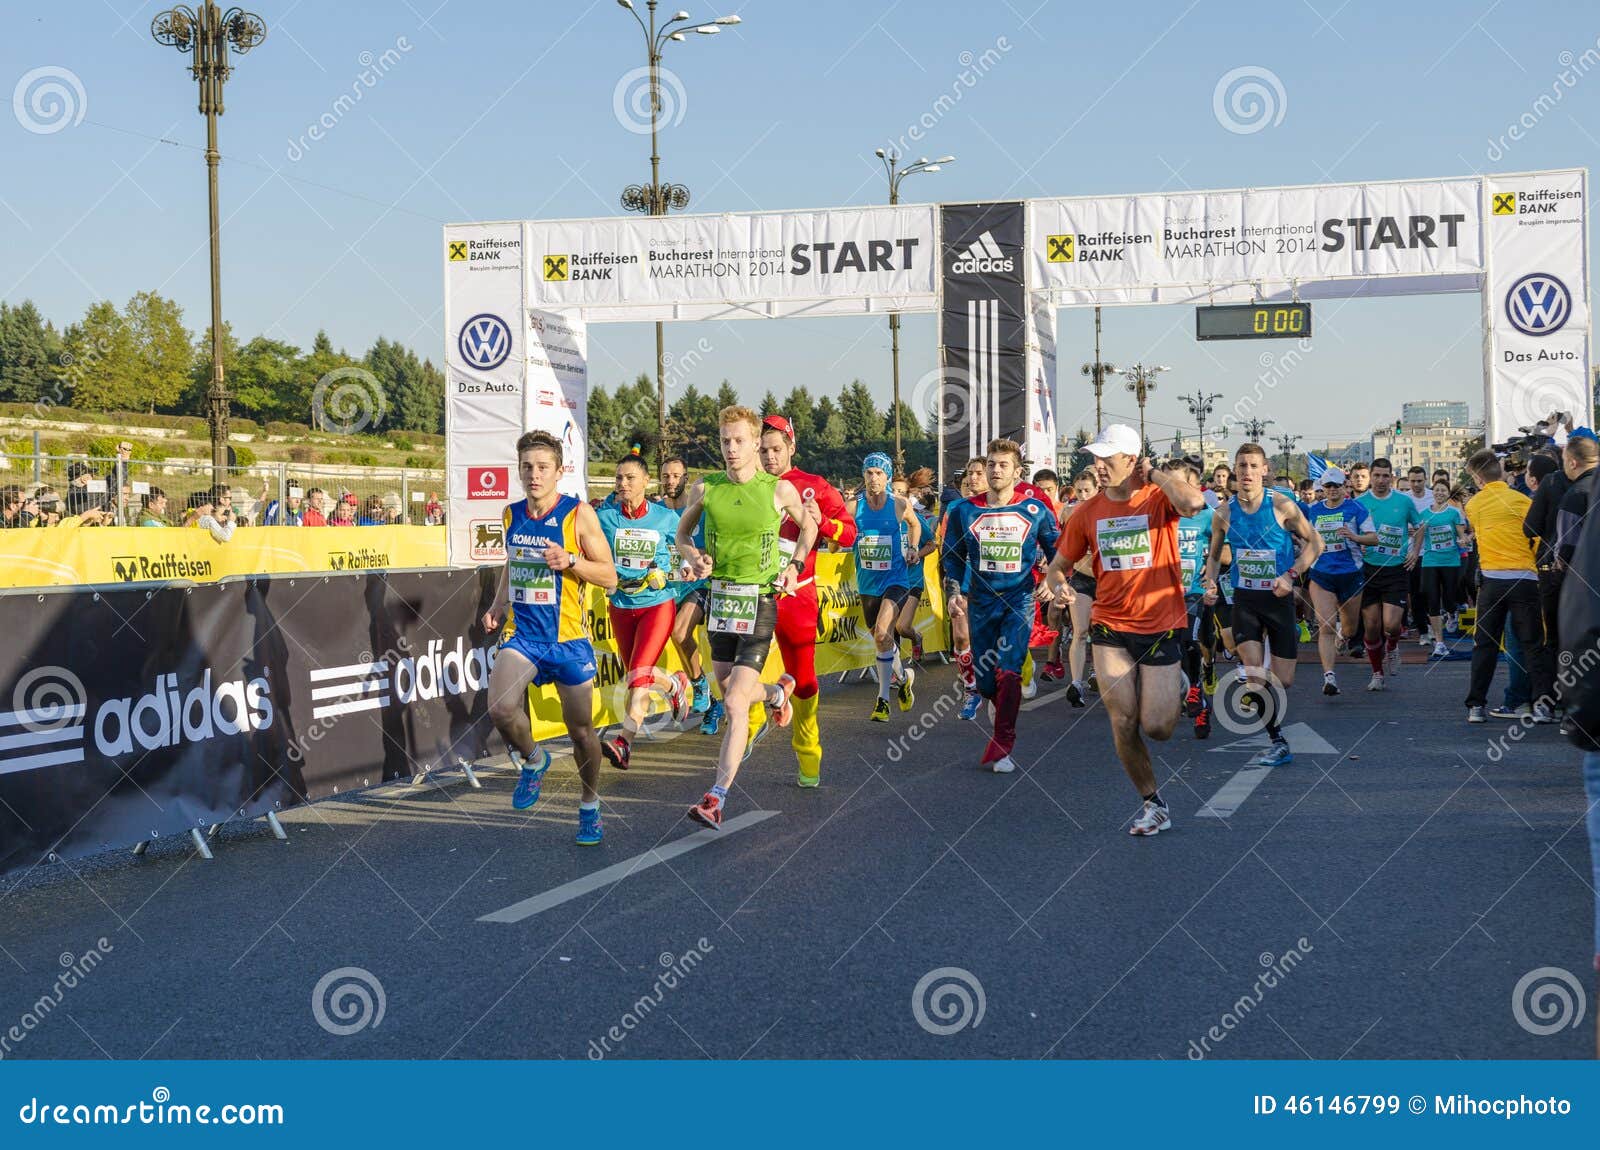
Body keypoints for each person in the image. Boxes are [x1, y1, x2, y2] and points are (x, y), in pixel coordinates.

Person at [1046, 424, 1206, 833]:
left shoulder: (1158, 499)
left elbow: (1194, 502)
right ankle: (1153, 803)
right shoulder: (1086, 512)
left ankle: (1179, 679)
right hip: (1111, 625)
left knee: (1158, 727)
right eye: (1095, 458)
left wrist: (1153, 474)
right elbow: (1057, 569)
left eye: (1107, 458)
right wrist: (1060, 589)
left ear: (1131, 461)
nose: (1098, 466)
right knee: (1122, 720)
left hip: (1161, 624)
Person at [675, 406, 817, 828]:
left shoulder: (778, 490)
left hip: (759, 603)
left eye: (739, 441)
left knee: (736, 703)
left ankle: (716, 797)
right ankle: (776, 694)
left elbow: (808, 528)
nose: (731, 449)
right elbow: (682, 536)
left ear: (756, 443)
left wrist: (795, 565)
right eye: (724, 441)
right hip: (720, 602)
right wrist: (695, 558)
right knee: (727, 691)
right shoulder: (706, 488)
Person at [482, 430, 617, 845]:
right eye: (526, 467)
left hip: (568, 641)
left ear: (560, 471)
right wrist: (497, 605)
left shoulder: (579, 515)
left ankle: (590, 805)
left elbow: (610, 576)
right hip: (524, 636)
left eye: (542, 467)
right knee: (501, 709)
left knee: (580, 733)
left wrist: (572, 560)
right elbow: (512, 564)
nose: (533, 475)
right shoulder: (511, 514)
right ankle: (534, 760)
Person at [943, 438, 1060, 773]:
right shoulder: (964, 511)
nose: (995, 470)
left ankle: (1002, 744)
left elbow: (1058, 553)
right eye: (991, 464)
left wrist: (1052, 582)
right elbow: (952, 558)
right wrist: (954, 592)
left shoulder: (1033, 510)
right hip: (979, 603)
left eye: (1003, 465)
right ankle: (1001, 715)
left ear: (1017, 472)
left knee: (1008, 671)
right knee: (985, 683)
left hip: (1019, 600)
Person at [1203, 444, 1322, 767]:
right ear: (1234, 471)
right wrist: (1211, 582)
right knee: (1255, 676)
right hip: (1245, 599)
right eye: (1241, 466)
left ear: (1265, 469)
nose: (1247, 472)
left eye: (1253, 466)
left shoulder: (1282, 505)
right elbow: (1214, 556)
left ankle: (1268, 700)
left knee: (1283, 681)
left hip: (1279, 599)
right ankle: (1277, 740)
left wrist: (1292, 574)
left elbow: (1316, 543)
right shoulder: (1224, 513)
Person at [758, 413, 856, 786]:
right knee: (739, 670)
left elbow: (849, 534)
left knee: (805, 678)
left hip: (797, 594)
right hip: (754, 594)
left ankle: (808, 750)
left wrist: (824, 523)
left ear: (791, 447)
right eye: (763, 450)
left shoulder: (813, 486)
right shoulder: (748, 485)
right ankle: (751, 727)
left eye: (776, 449)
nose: (769, 457)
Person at [594, 450, 692, 770]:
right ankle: (674, 684)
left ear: (646, 482)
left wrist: (684, 568)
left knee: (638, 675)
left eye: (630, 478)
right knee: (637, 675)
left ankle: (624, 743)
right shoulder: (605, 517)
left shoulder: (665, 518)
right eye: (619, 478)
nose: (623, 483)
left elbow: (685, 550)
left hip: (657, 604)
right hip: (621, 604)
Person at [1462, 448, 1555, 725]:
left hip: (1492, 580)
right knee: (1533, 644)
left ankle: (1476, 705)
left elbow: (1478, 532)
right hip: (1525, 578)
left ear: (1478, 479)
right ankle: (1541, 706)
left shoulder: (1474, 505)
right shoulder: (1523, 501)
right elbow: (1535, 537)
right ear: (1500, 473)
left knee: (1484, 645)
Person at [852, 453, 919, 721]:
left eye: (879, 473)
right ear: (863, 476)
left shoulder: (899, 504)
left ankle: (882, 700)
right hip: (868, 583)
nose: (873, 478)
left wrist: (913, 548)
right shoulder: (853, 507)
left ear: (888, 477)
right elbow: (837, 532)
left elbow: (915, 526)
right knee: (882, 640)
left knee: (882, 632)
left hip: (896, 580)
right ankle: (904, 678)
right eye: (869, 473)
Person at [1302, 468, 1378, 695]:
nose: (1333, 491)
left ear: (1345, 487)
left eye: (1337, 486)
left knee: (1349, 627)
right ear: (1322, 489)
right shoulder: (1313, 511)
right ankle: (1329, 677)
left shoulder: (1356, 508)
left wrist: (1354, 537)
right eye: (1328, 487)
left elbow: (1374, 538)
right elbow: (1302, 535)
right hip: (1322, 574)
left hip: (1351, 574)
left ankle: (1343, 637)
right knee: (1325, 625)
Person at [1356, 458, 1422, 690]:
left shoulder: (1403, 501)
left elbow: (1420, 525)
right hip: (1368, 570)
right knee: (1372, 627)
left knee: (1392, 625)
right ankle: (1377, 673)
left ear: (1392, 477)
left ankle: (1392, 647)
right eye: (1377, 476)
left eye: (1386, 476)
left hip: (1396, 569)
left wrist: (1414, 551)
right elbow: (1352, 531)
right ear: (1370, 477)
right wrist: (1359, 544)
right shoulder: (1360, 502)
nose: (1381, 480)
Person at [1167, 459, 1215, 736]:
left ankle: (1195, 690)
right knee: (1172, 650)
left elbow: (1225, 552)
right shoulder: (1158, 513)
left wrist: (1210, 577)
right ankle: (1200, 703)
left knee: (1190, 639)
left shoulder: (1206, 515)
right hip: (1162, 595)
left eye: (1179, 482)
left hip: (1193, 593)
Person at [940, 457, 988, 720]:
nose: (973, 479)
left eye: (979, 473)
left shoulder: (998, 507)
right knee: (960, 637)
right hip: (961, 580)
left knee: (985, 641)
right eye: (970, 473)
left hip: (992, 585)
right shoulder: (955, 508)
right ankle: (971, 690)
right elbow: (948, 549)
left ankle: (992, 686)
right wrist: (952, 582)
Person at [1523, 450, 1570, 673]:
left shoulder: (1546, 488)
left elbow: (1529, 528)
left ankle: (1554, 690)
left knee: (1551, 633)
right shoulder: (1584, 484)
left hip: (1549, 565)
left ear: (1533, 479)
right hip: (1582, 567)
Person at [1416, 480, 1469, 659]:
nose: (1439, 493)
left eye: (1443, 490)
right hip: (1430, 561)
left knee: (1449, 597)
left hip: (1451, 561)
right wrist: (1413, 553)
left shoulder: (1454, 513)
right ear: (1433, 492)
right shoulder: (1424, 514)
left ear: (1448, 493)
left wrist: (1463, 540)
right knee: (1431, 598)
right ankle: (1439, 642)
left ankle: (1451, 612)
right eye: (1437, 490)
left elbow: (1462, 536)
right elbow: (1418, 538)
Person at [891, 474, 936, 664]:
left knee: (902, 627)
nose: (897, 495)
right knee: (889, 628)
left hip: (912, 580)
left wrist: (917, 554)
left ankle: (916, 637)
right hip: (889, 581)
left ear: (909, 496)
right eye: (893, 491)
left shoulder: (915, 519)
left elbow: (931, 544)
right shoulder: (882, 519)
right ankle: (894, 667)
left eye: (902, 492)